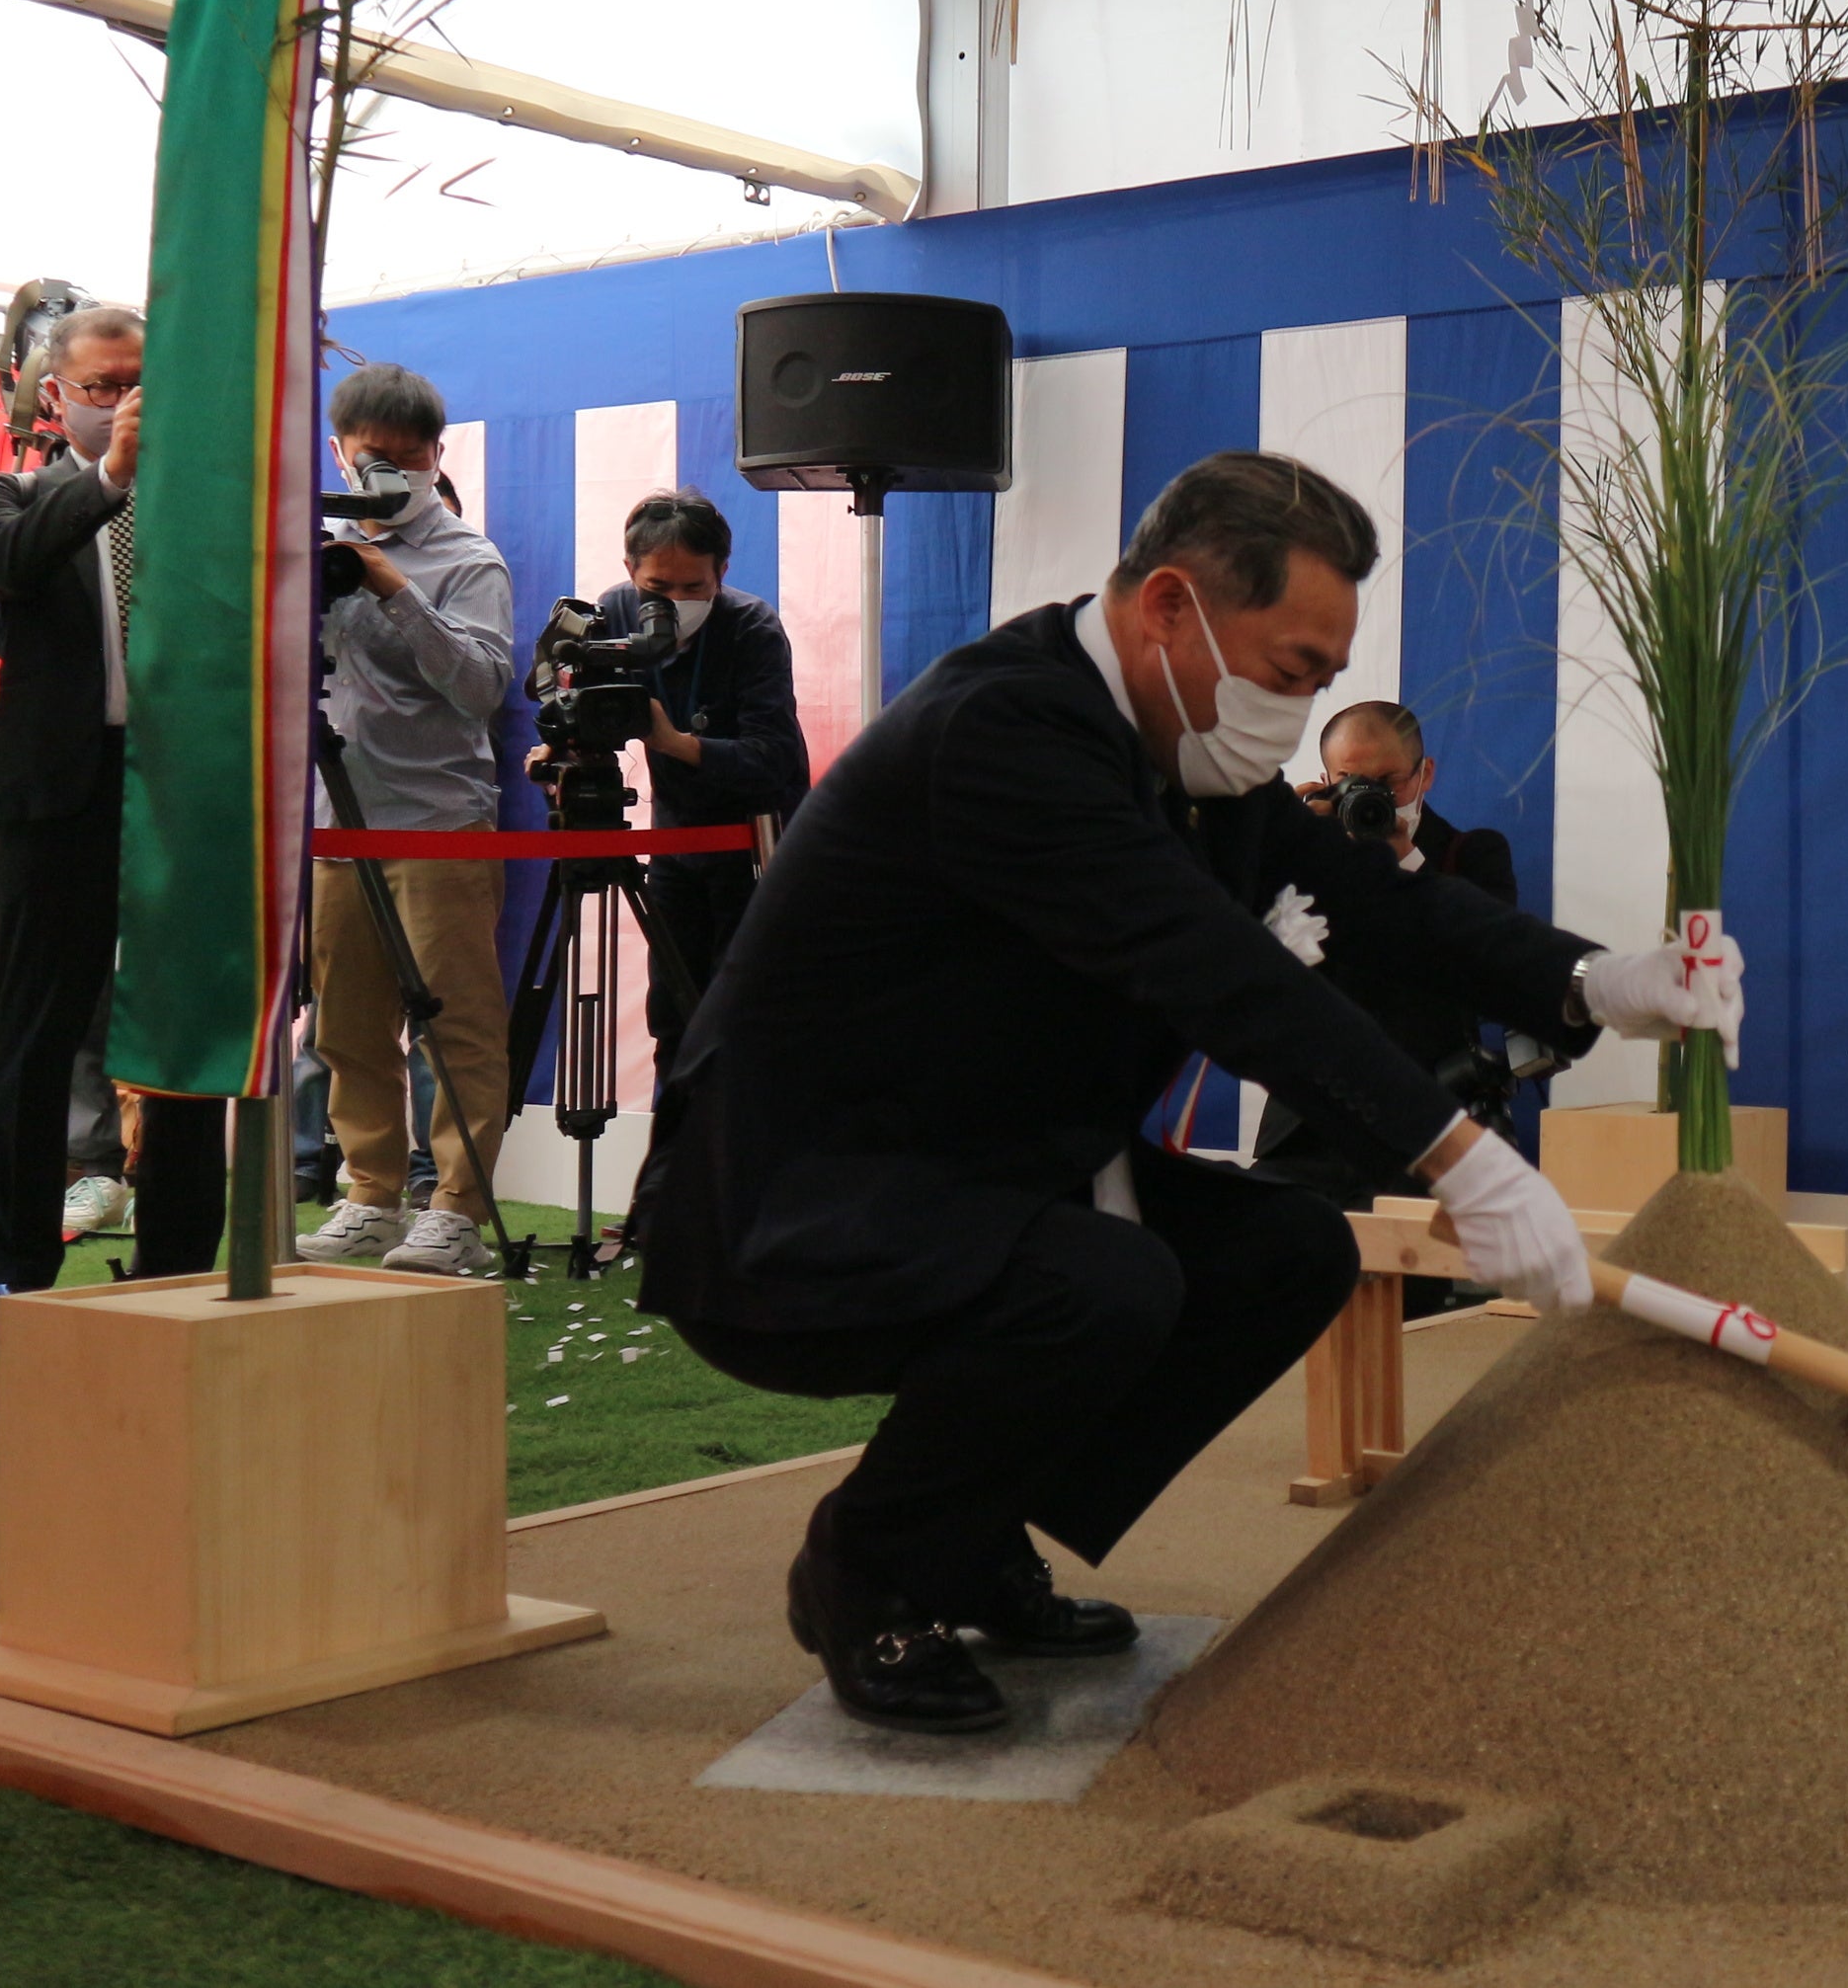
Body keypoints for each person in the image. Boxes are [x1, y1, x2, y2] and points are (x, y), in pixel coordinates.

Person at [628, 450, 1741, 1733]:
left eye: (1321, 677)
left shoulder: (1194, 758)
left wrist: (1596, 981)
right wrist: (1461, 1156)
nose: (1300, 712)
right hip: (794, 1196)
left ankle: (970, 1532)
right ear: (1170, 606)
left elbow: (1382, 903)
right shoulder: (1005, 731)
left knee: (1288, 1249)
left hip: (985, 1163)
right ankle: (865, 1565)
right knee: (1107, 1282)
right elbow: (1217, 973)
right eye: (1293, 672)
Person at [0, 304, 230, 1298]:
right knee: (35, 1035)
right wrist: (113, 474)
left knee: (186, 1032)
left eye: (140, 385)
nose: (123, 403)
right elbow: (12, 564)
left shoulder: (209, 502)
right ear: (55, 395)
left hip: (183, 792)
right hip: (58, 796)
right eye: (102, 387)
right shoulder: (10, 494)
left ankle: (179, 1266)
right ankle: (17, 1273)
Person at [294, 363, 517, 1276]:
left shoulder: (469, 559)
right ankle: (371, 1195)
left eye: (409, 455)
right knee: (345, 1027)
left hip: (437, 822)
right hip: (335, 826)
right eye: (371, 454)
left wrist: (394, 587)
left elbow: (482, 688)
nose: (389, 470)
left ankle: (457, 1207)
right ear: (338, 451)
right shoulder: (311, 542)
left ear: (437, 454)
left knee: (456, 1025)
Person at [1256, 700, 1523, 1226]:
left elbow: (1494, 968)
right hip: (1306, 1127)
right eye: (1352, 781)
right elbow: (1254, 965)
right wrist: (1278, 849)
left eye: (1388, 782)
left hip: (1425, 1128)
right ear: (1326, 781)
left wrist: (1407, 860)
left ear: (1425, 774)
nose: (1371, 796)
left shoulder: (1470, 855)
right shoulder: (1308, 852)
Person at [565, 489, 806, 1059]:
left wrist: (674, 743)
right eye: (657, 589)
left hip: (757, 842)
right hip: (674, 843)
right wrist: (564, 744)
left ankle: (737, 1120)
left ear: (722, 572)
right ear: (630, 571)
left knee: (741, 1018)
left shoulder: (751, 627)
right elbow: (589, 708)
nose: (673, 603)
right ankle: (674, 1118)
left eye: (694, 588)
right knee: (672, 1015)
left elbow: (772, 760)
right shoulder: (613, 611)